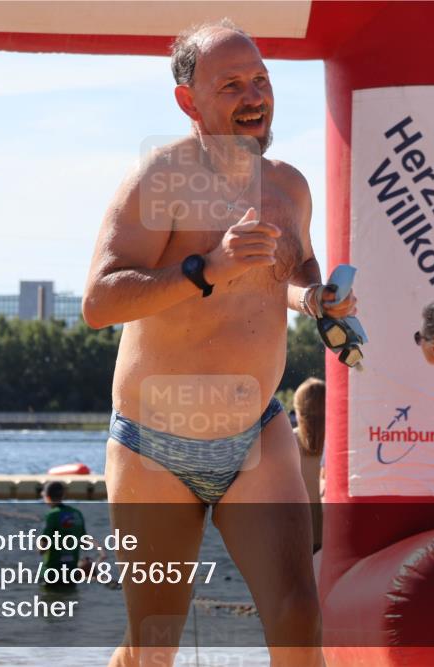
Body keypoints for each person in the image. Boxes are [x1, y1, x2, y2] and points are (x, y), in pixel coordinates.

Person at [83, 19, 353, 667]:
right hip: (154, 444)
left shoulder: (288, 186)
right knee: (153, 644)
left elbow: (295, 269)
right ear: (189, 102)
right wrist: (207, 267)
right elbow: (100, 300)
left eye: (260, 79)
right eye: (231, 84)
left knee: (297, 616)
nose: (254, 94)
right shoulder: (161, 177)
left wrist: (318, 299)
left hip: (255, 433)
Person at [292, 378, 325, 553]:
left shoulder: (286, 442)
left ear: (299, 412)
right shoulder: (341, 443)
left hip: (295, 531)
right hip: (332, 532)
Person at [39, 481, 88, 590]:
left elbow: (41, 549)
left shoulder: (52, 515)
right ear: (63, 495)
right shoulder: (77, 513)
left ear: (46, 496)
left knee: (47, 603)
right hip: (71, 573)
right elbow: (84, 543)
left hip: (51, 574)